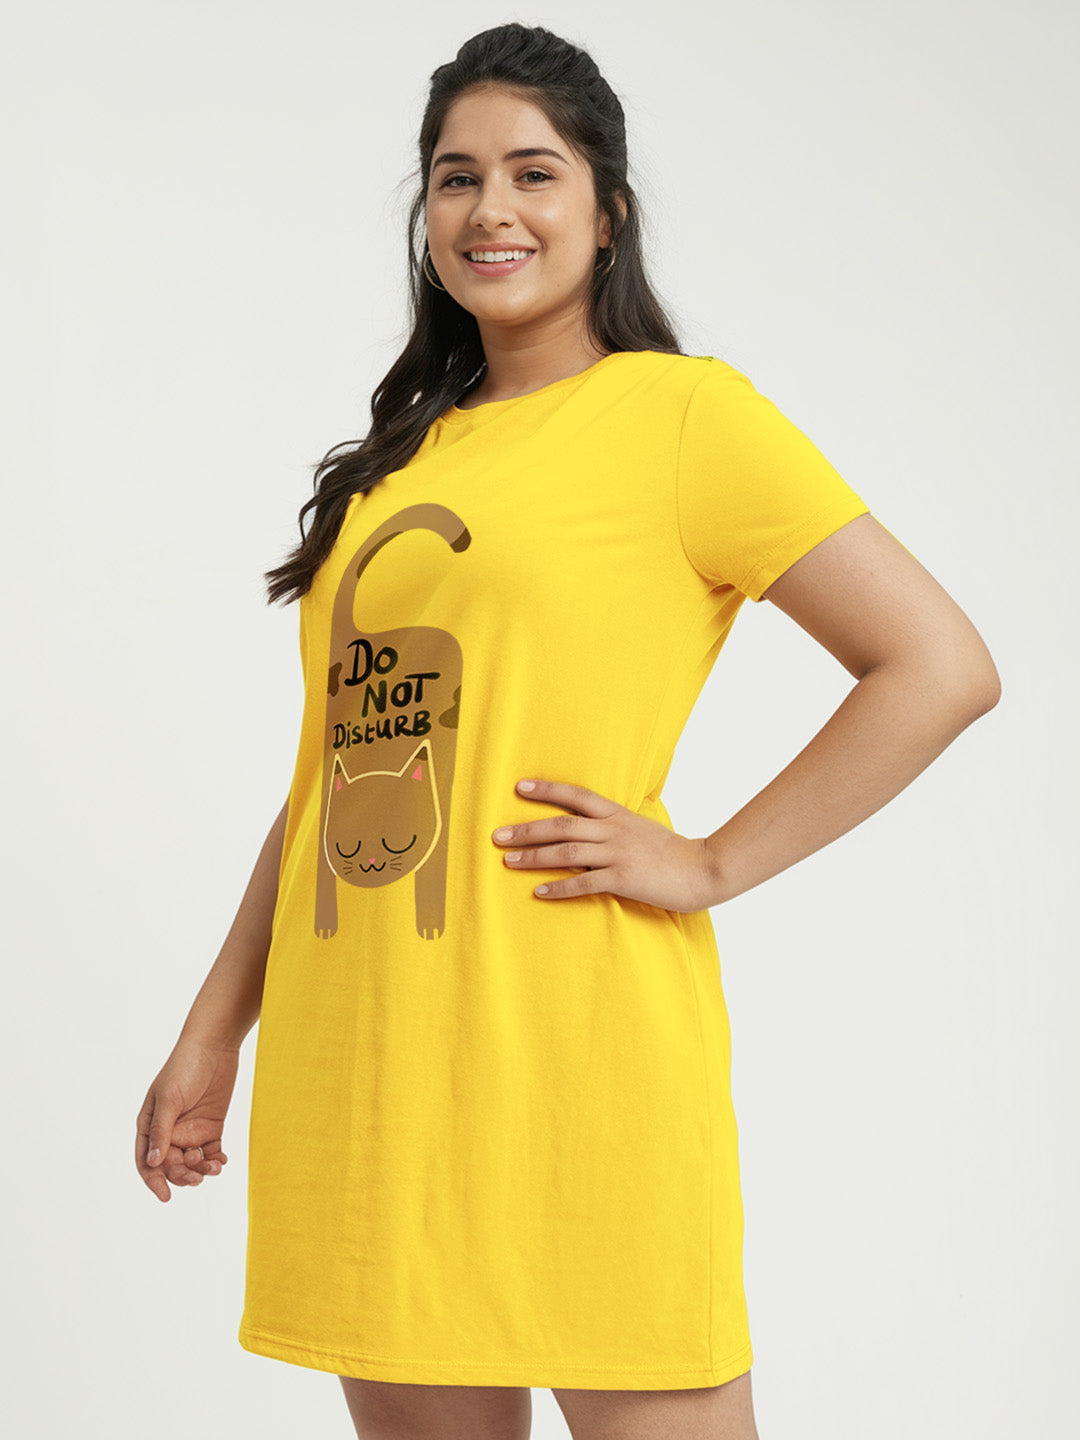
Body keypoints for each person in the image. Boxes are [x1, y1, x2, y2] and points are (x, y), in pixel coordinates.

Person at [134, 22, 1000, 1440]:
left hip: (573, 1056)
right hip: (369, 1073)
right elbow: (332, 782)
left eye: (534, 173)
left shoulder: (682, 417)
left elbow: (940, 666)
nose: (492, 209)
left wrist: (710, 862)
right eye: (456, 176)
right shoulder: (395, 469)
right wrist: (212, 1030)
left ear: (608, 214)